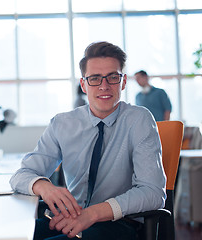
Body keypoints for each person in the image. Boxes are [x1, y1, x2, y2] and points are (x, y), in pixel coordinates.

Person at [10, 41, 166, 240]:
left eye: (112, 77)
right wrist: (43, 186)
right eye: (94, 78)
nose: (104, 86)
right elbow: (21, 175)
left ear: (123, 82)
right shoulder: (62, 123)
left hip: (118, 223)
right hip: (70, 217)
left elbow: (153, 192)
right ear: (83, 84)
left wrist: (91, 214)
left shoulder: (139, 120)